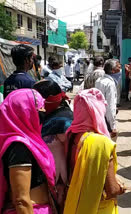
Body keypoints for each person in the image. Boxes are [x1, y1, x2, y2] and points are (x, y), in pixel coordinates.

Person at [64, 89, 124, 214]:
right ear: (97, 112)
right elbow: (112, 190)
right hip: (97, 207)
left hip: (75, 203)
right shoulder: (101, 143)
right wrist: (121, 187)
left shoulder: (70, 135)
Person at [0, 89, 56, 214]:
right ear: (24, 112)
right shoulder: (19, 146)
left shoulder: (30, 141)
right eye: (38, 108)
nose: (43, 112)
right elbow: (21, 200)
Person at [33, 80, 73, 210]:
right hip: (50, 178)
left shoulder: (63, 121)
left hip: (60, 178)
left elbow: (72, 151)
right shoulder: (49, 116)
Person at [95, 59, 119, 142]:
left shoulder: (99, 80)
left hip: (99, 117)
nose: (119, 69)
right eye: (118, 67)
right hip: (106, 120)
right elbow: (110, 106)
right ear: (113, 70)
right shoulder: (110, 84)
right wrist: (112, 126)